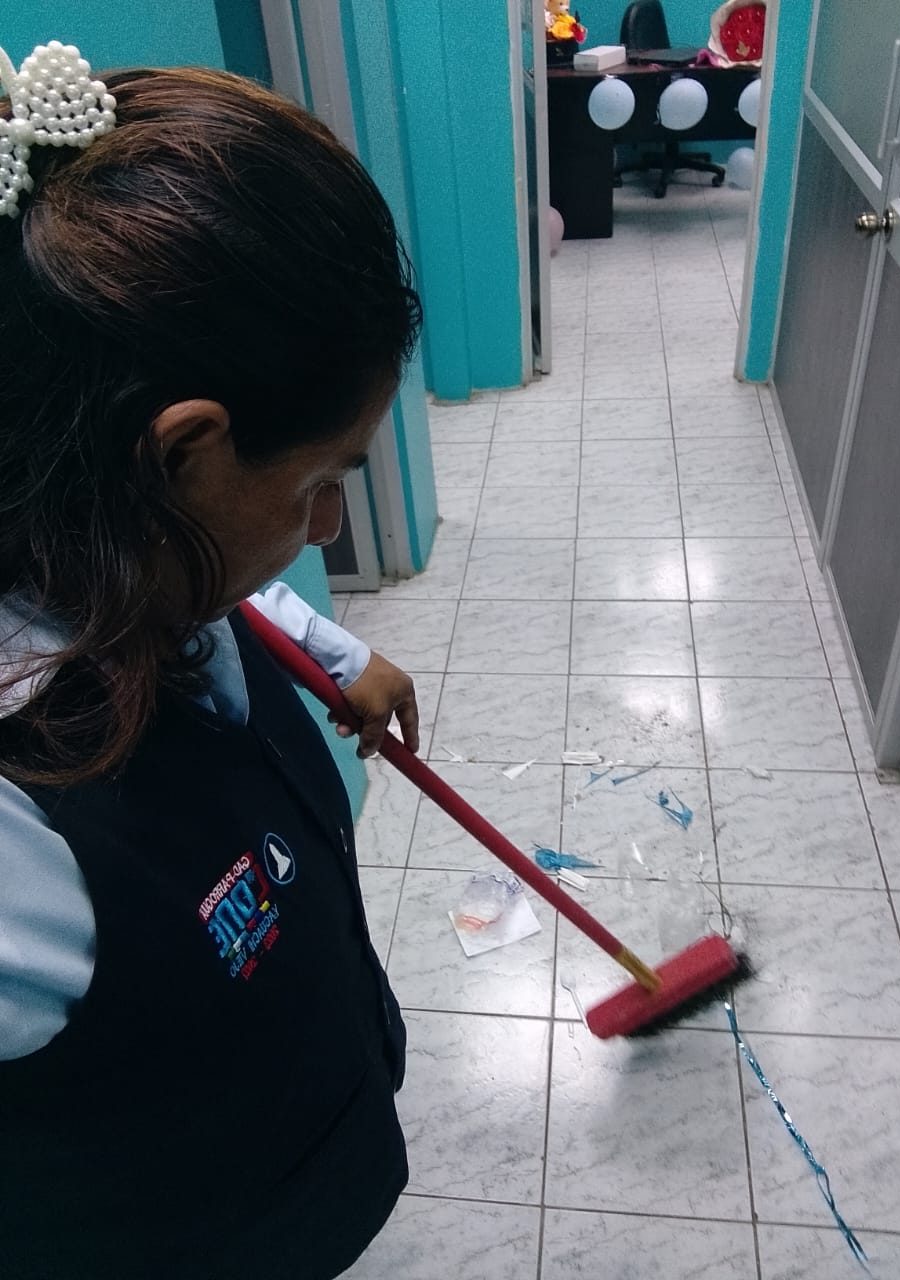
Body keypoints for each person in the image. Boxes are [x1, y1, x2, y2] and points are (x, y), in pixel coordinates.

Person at [0, 40, 423, 1280]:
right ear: (181, 456)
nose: (328, 528)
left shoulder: (105, 531)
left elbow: (216, 594)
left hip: (310, 1120)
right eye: (321, 481)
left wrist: (330, 642)